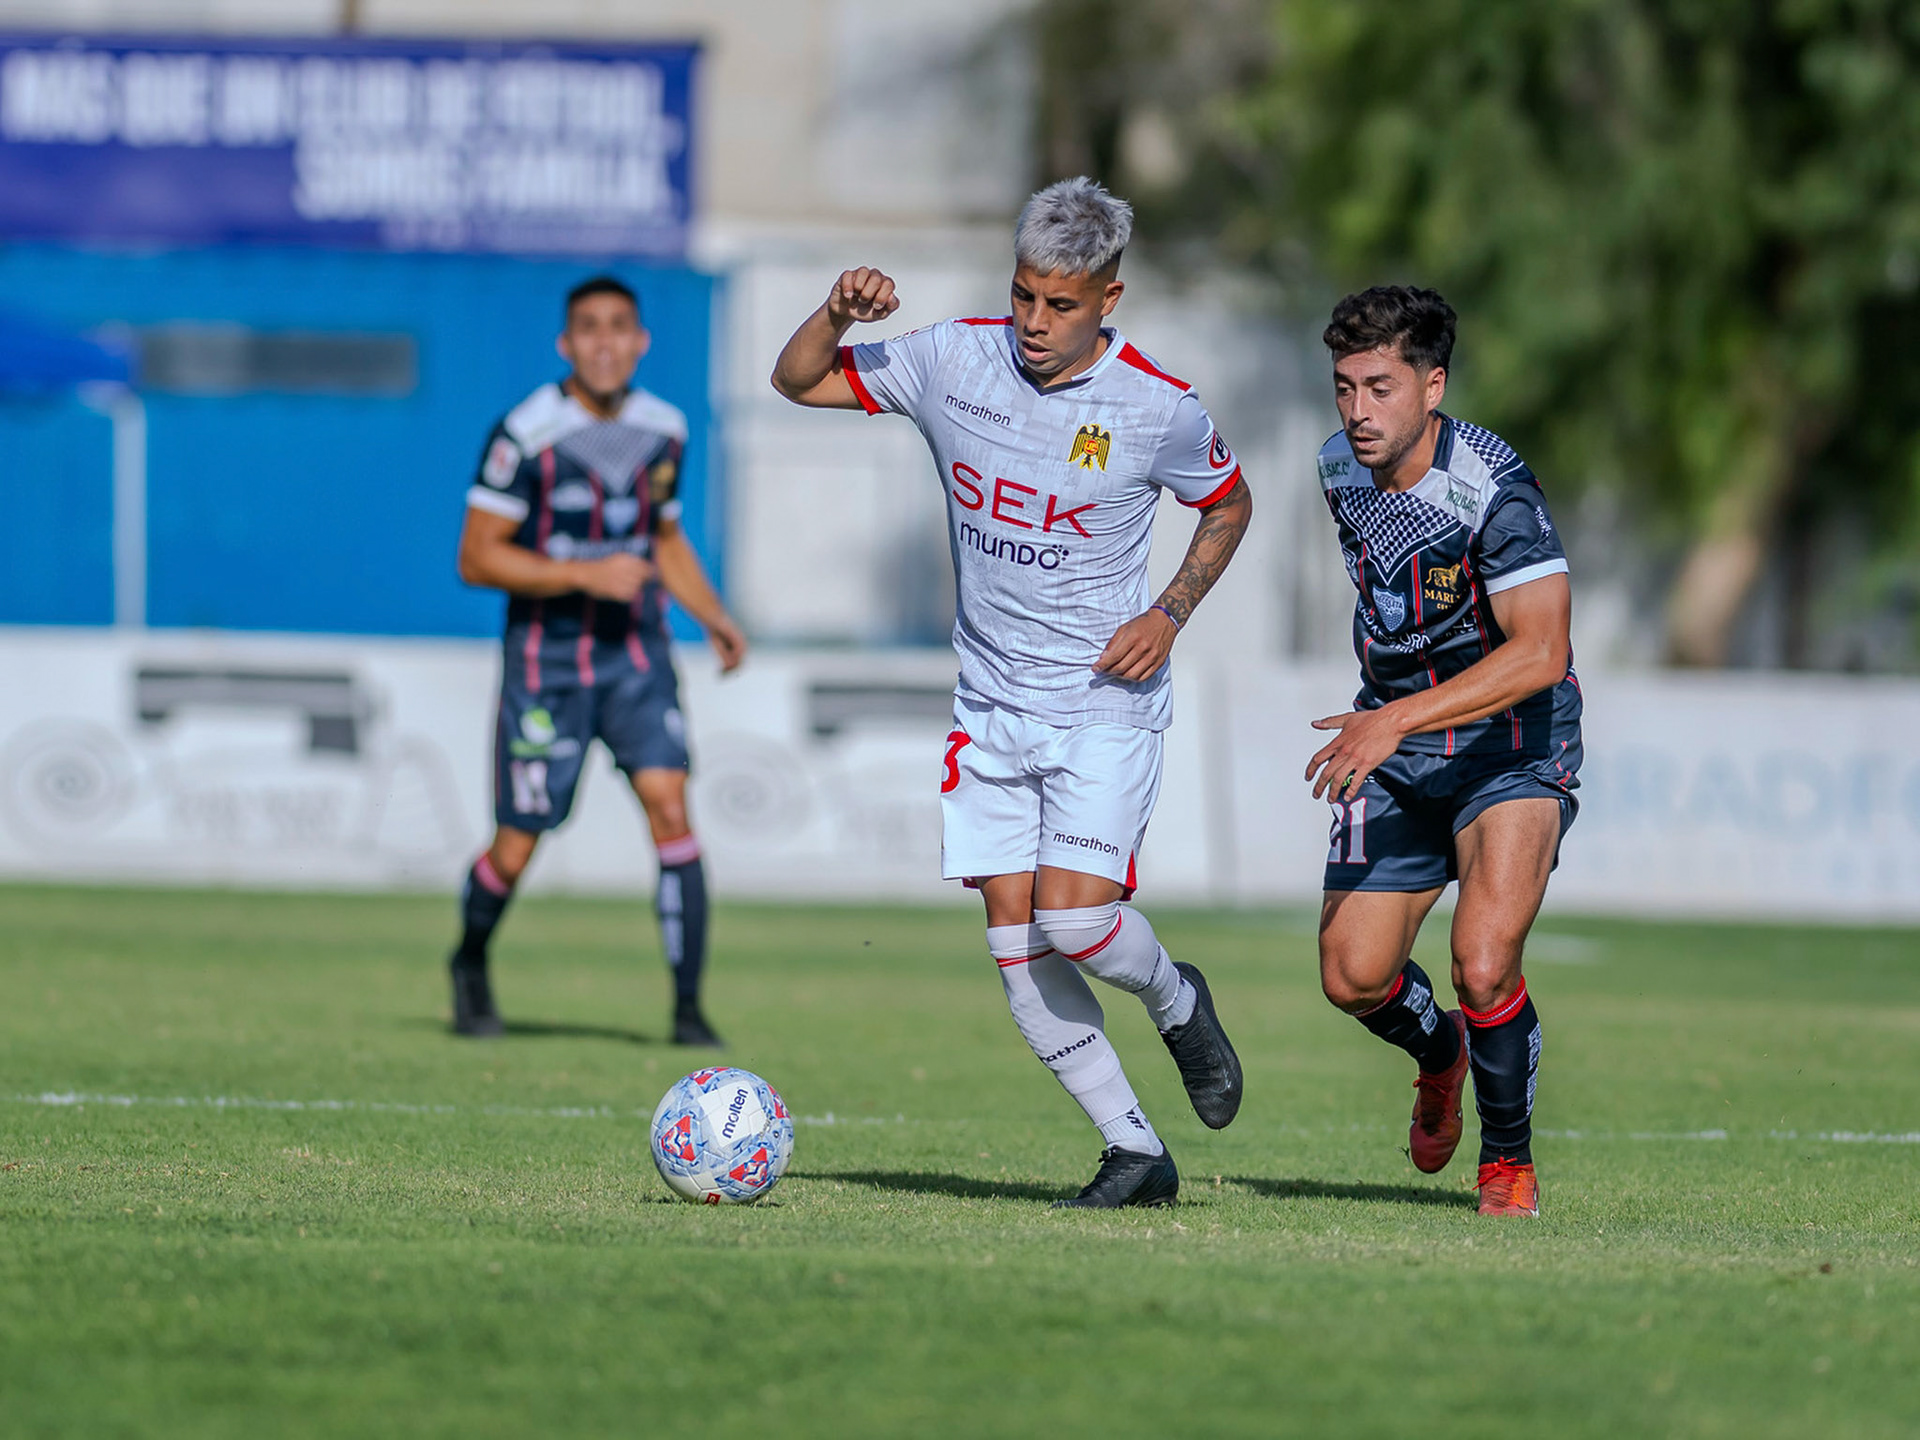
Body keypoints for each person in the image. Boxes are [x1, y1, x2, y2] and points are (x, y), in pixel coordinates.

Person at [770, 177, 1253, 1209]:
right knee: (1013, 947)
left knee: (1076, 926)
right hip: (988, 707)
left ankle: (1176, 999)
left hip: (1101, 706)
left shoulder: (1157, 407)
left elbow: (1228, 502)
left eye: (1063, 304)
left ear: (1108, 299)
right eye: (1026, 295)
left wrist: (1167, 612)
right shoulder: (952, 358)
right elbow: (798, 381)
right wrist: (835, 314)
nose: (1037, 322)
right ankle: (1134, 1151)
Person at [1306, 286, 1581, 1218]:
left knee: (1483, 960)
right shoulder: (1338, 469)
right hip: (1402, 741)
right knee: (1353, 976)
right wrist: (1390, 716)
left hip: (1509, 745)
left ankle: (1508, 1167)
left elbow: (1543, 652)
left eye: (1379, 388)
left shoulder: (1492, 490)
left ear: (1433, 386)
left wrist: (1395, 715)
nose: (1356, 412)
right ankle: (1442, 1055)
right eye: (1344, 387)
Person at [448, 275, 746, 1046]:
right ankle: (470, 960)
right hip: (546, 664)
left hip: (637, 659)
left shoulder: (666, 430)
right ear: (566, 345)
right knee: (518, 842)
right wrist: (583, 573)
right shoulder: (525, 434)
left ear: (641, 341)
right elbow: (478, 559)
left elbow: (665, 537)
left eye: (619, 327)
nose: (605, 343)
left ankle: (687, 1011)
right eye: (588, 329)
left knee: (671, 809)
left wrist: (712, 616)